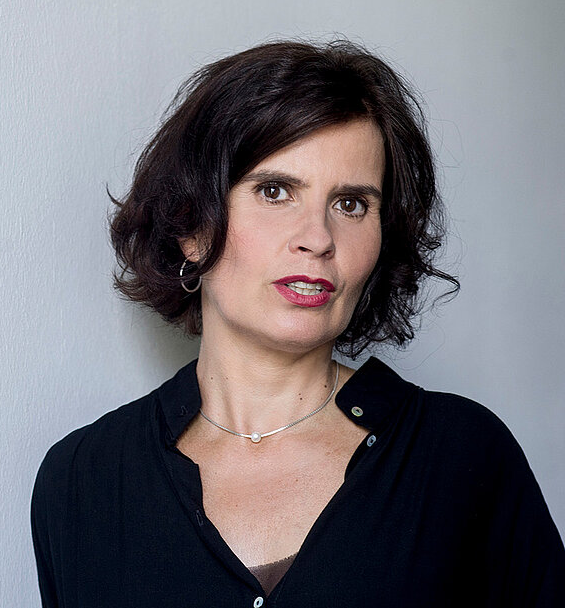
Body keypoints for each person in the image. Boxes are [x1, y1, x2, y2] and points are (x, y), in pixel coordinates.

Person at [31, 41, 565, 607]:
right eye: (275, 191)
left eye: (351, 204)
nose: (318, 237)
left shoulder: (463, 457)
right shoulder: (82, 480)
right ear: (192, 226)